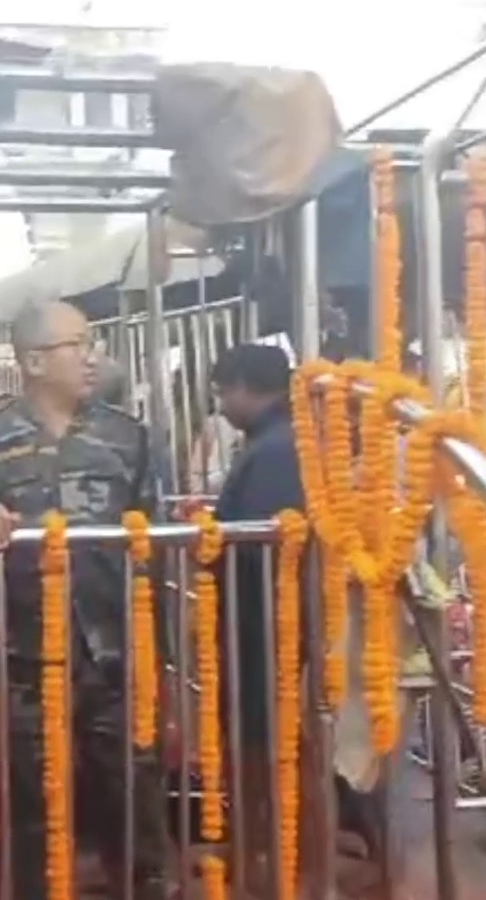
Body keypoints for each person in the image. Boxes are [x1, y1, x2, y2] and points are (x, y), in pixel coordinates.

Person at [0, 300, 168, 900]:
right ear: (35, 361)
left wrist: (162, 651)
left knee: (133, 792)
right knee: (33, 803)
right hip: (25, 650)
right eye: (79, 344)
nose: (92, 356)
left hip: (114, 649)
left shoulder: (127, 435)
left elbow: (155, 536)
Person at [204, 344, 308, 882]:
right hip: (272, 625)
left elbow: (261, 549)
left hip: (265, 628)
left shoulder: (275, 451)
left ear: (247, 386)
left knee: (261, 749)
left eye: (224, 392)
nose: (220, 406)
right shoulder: (283, 441)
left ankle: (261, 866)